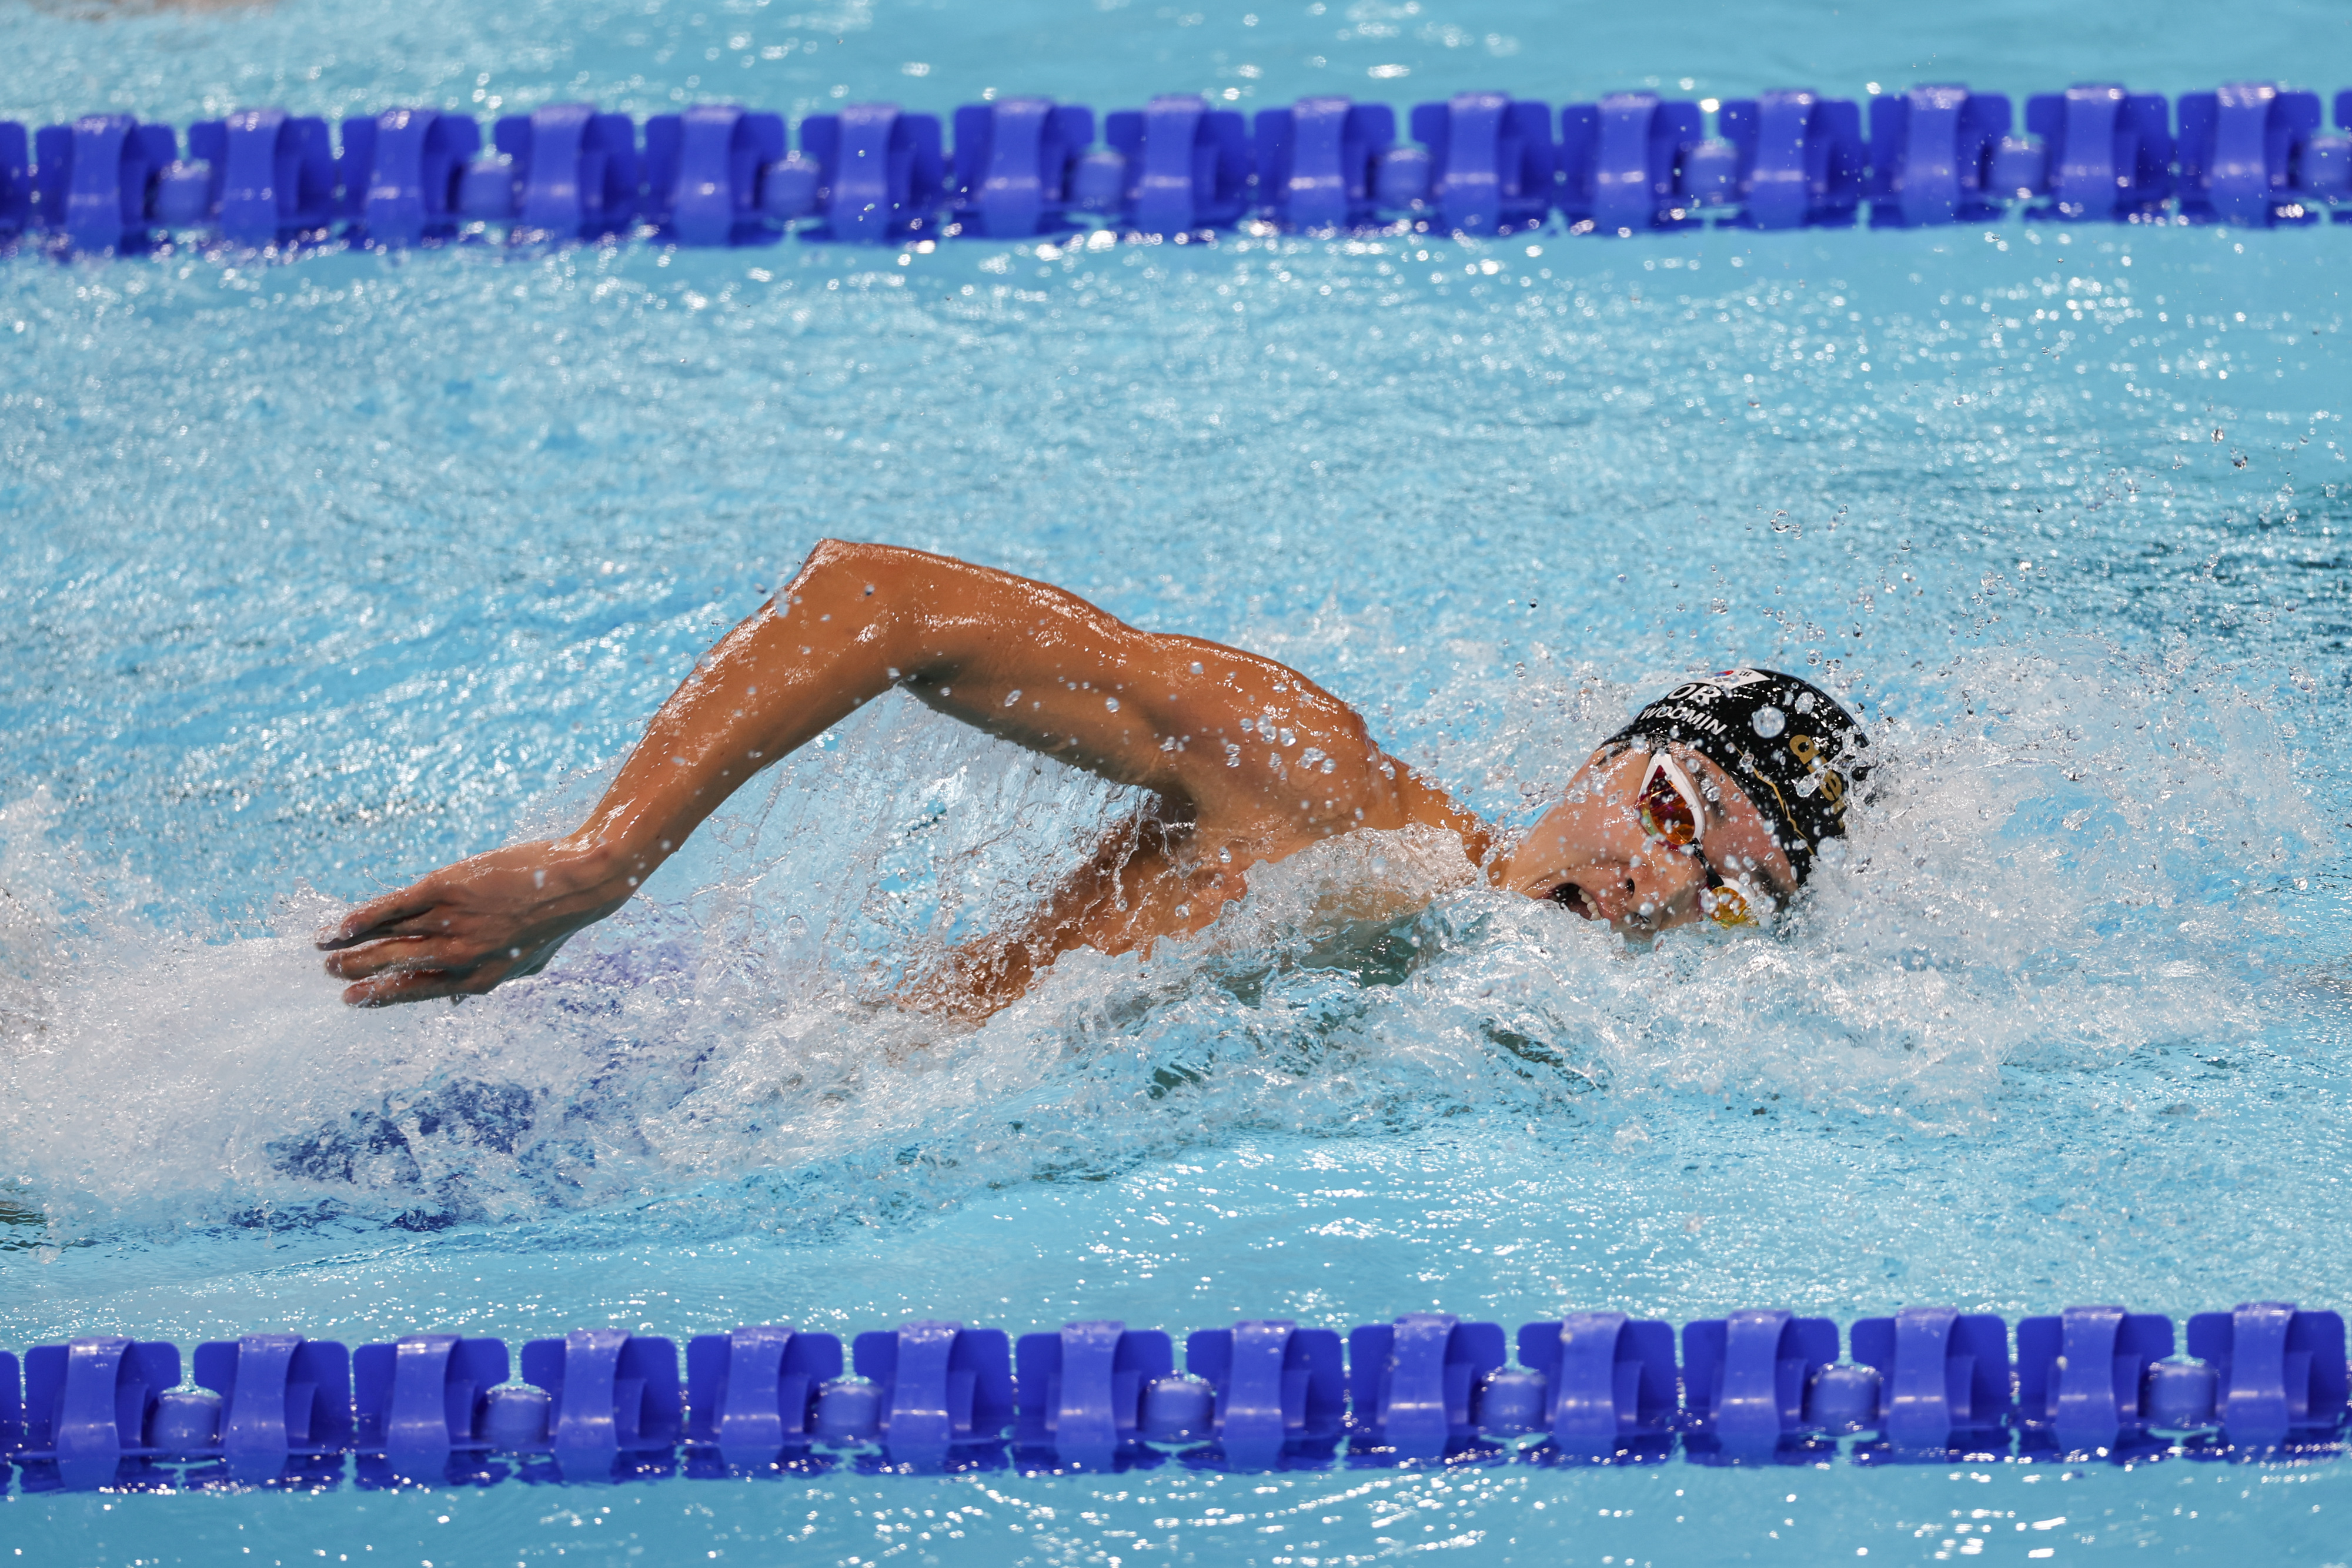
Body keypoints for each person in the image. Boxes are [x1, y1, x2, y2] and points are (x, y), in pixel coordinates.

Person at [319, 541, 1869, 1015]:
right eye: (1674, 811)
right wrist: (603, 859)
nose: (1664, 885)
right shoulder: (1325, 793)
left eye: (1730, 895)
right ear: (1604, 760)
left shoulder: (1495, 1024)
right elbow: (879, 601)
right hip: (644, 1077)